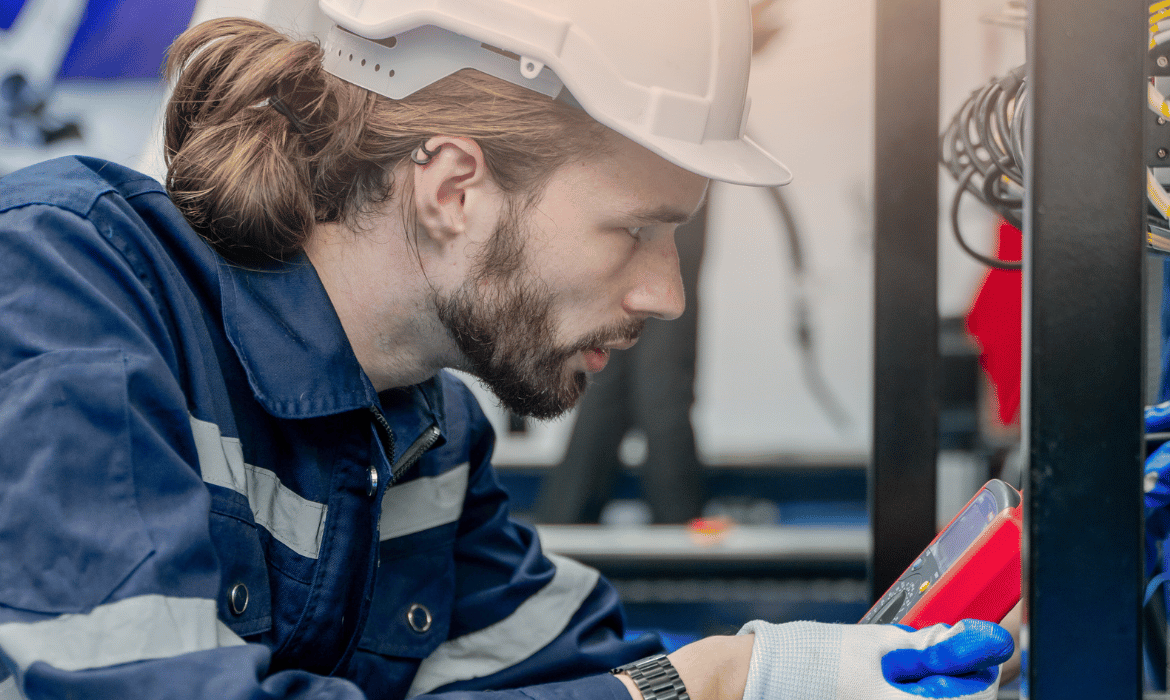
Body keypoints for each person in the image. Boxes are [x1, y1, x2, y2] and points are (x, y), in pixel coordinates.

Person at [0, 1, 1014, 699]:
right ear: (454, 188)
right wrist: (690, 684)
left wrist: (772, 671)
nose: (665, 294)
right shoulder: (66, 286)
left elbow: (572, 673)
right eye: (635, 229)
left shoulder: (415, 436)